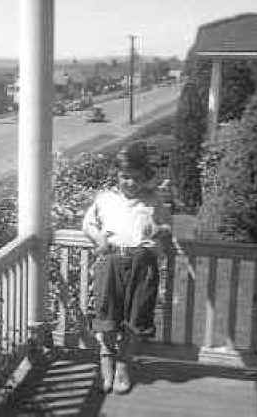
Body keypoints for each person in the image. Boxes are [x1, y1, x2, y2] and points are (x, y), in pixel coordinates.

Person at [82, 140, 172, 394]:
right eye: (124, 177)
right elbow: (88, 224)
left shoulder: (153, 200)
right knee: (107, 315)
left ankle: (124, 364)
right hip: (111, 262)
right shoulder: (105, 199)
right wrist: (99, 239)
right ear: (117, 175)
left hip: (143, 263)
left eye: (136, 178)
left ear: (145, 177)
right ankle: (106, 360)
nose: (130, 183)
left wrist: (158, 229)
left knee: (137, 317)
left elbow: (166, 226)